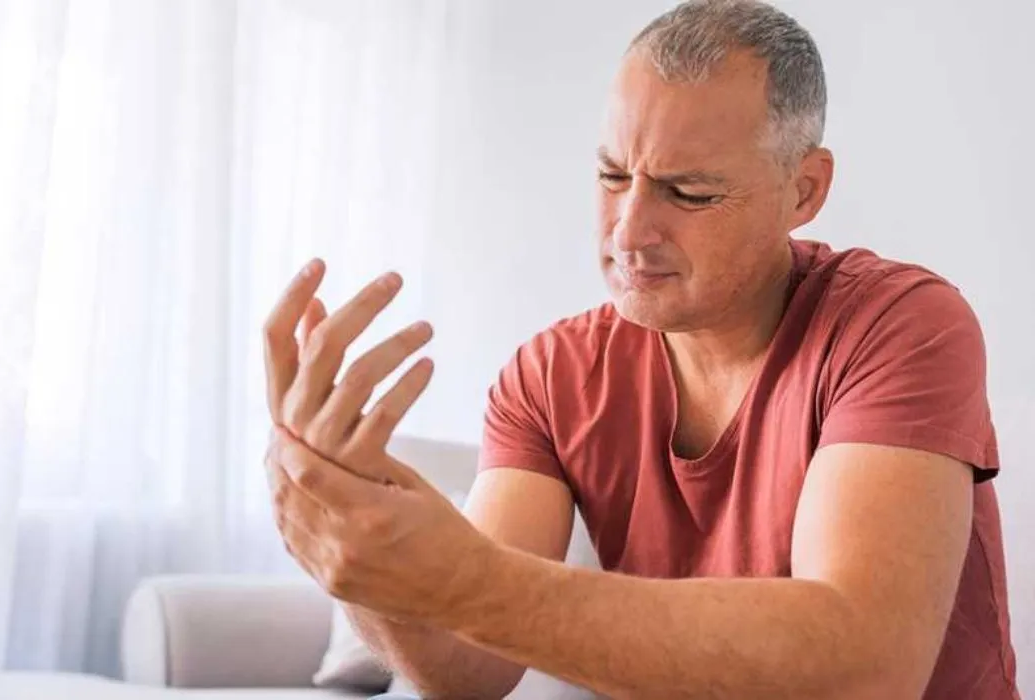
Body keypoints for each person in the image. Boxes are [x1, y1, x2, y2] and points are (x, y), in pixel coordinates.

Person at [260, 0, 1018, 697]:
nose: (628, 231)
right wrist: (365, 551)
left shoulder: (902, 325)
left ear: (804, 190)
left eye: (689, 193)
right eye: (612, 175)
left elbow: (865, 669)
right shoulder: (550, 376)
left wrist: (466, 579)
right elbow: (467, 671)